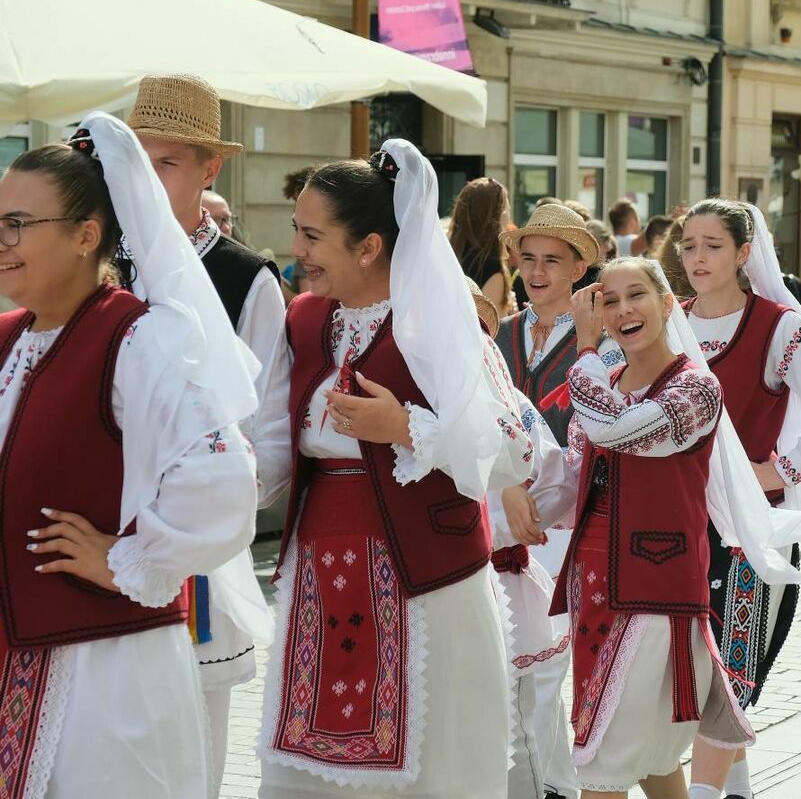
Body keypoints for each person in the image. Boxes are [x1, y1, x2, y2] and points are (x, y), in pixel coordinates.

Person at [258, 143, 534, 797]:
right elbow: (269, 442)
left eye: (312, 234)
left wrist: (405, 427)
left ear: (369, 247)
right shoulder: (303, 321)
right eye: (298, 229)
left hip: (427, 585)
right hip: (322, 583)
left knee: (437, 764)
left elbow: (514, 446)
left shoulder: (435, 323)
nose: (296, 246)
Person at [0, 113, 259, 796]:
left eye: (19, 223)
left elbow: (225, 480)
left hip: (107, 677)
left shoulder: (140, 341)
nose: (3, 240)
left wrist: (125, 559)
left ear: (88, 235)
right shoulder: (8, 341)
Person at [675, 200, 801, 798]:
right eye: (687, 245)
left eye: (712, 245)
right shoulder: (668, 320)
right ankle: (735, 788)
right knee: (693, 672)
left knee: (730, 671)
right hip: (674, 523)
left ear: (742, 253)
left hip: (748, 528)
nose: (697, 257)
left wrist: (781, 467)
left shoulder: (777, 325)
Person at [126, 73, 286, 789]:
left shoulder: (245, 278)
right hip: (97, 538)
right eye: (139, 158)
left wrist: (201, 510)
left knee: (196, 752)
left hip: (197, 553)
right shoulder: (96, 259)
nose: (150, 177)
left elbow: (269, 427)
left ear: (208, 167)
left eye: (169, 161)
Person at [555, 258, 755, 798]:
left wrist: (585, 348)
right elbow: (577, 471)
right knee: (650, 760)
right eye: (609, 300)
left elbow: (616, 429)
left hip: (652, 592)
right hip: (596, 588)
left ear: (668, 303)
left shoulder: (695, 388)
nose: (622, 311)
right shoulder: (609, 382)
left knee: (607, 761)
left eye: (636, 295)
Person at [495, 202, 618, 798]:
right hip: (509, 522)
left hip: (574, 523)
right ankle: (540, 781)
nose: (537, 272)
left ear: (578, 270)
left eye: (552, 261)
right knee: (523, 669)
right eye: (528, 259)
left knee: (554, 670)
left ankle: (560, 784)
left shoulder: (603, 342)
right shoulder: (501, 333)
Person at [470, 279, 580, 799]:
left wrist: (522, 511)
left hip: (507, 583)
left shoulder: (509, 401)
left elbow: (556, 476)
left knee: (525, 720)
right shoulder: (403, 410)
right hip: (432, 588)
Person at [449, 176, 515, 316]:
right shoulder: (492, 267)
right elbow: (492, 330)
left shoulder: (447, 257)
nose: (509, 217)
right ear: (499, 215)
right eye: (507, 209)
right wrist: (511, 312)